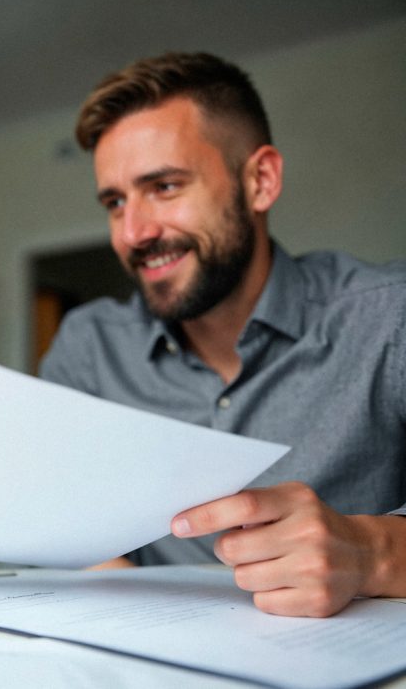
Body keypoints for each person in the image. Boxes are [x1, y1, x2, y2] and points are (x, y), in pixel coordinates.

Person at [40, 52, 406, 617]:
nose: (133, 233)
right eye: (115, 202)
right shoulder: (88, 347)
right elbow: (56, 514)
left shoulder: (388, 317)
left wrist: (372, 553)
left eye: (163, 186)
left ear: (260, 181)